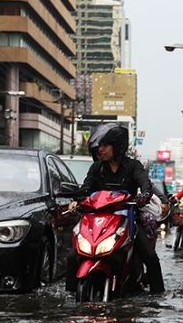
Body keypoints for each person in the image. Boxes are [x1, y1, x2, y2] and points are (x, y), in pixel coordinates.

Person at [65, 125, 165, 294]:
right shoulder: (97, 168)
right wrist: (76, 200)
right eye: (99, 146)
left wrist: (144, 195)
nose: (100, 150)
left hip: (128, 219)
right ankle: (70, 295)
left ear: (117, 146)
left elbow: (145, 185)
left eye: (105, 145)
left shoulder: (133, 166)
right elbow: (86, 188)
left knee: (150, 256)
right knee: (72, 257)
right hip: (96, 221)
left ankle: (158, 296)